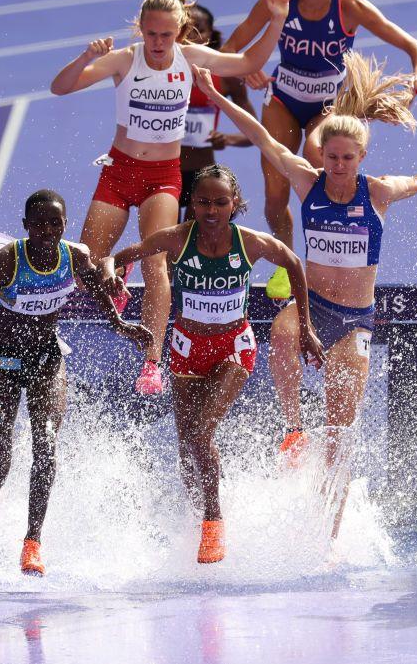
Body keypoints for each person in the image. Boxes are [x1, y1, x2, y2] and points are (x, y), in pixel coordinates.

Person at [193, 59, 417, 534]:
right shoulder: (307, 182)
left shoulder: (378, 192)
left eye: (347, 158)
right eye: (332, 157)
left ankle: (331, 535)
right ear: (322, 155)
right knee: (282, 334)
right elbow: (264, 138)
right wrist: (218, 99)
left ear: (361, 157)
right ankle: (293, 428)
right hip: (313, 308)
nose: (339, 166)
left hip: (356, 320)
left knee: (340, 439)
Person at [50, 0, 290, 393]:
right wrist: (88, 56)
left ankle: (152, 362)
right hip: (119, 170)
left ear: (179, 32)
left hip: (163, 176)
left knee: (157, 261)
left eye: (166, 34)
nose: (159, 43)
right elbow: (61, 86)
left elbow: (249, 60)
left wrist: (277, 17)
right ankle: (109, 281)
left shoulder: (190, 58)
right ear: (140, 29)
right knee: (86, 262)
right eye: (151, 34)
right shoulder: (124, 61)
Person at [100, 165, 323, 564]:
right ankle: (195, 518)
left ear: (234, 204)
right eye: (203, 201)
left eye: (220, 202)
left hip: (233, 348)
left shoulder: (250, 243)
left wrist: (305, 328)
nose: (211, 209)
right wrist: (112, 274)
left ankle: (213, 524)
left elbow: (293, 263)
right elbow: (117, 258)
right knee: (187, 447)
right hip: (187, 349)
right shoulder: (175, 238)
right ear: (191, 203)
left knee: (202, 434)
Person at [221, 0, 417, 299]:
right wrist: (245, 67)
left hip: (328, 107)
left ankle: (329, 252)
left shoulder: (349, 6)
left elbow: (413, 45)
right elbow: (231, 49)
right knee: (274, 193)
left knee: (317, 160)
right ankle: (287, 264)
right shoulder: (277, 0)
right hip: (283, 101)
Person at [0, 190, 152, 576]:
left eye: (55, 223)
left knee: (45, 447)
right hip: (2, 361)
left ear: (65, 225)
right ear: (26, 226)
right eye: (39, 224)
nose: (47, 230)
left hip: (47, 358)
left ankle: (32, 543)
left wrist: (122, 327)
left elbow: (101, 294)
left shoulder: (75, 257)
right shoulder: (7, 260)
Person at [180, 4, 257, 220]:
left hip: (200, 174)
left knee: (191, 241)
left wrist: (227, 139)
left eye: (199, 31)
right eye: (187, 31)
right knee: (162, 240)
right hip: (165, 169)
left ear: (210, 35)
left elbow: (254, 133)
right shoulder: (162, 71)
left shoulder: (226, 76)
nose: (192, 37)